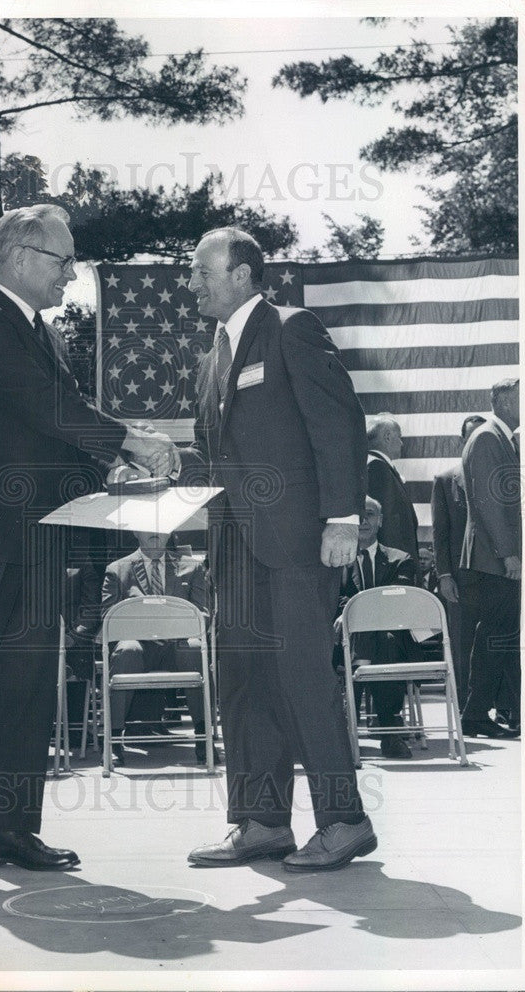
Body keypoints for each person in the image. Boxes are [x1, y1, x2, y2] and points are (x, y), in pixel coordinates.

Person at [0, 203, 175, 886]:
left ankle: (6, 830)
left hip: (38, 538)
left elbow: (53, 436)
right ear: (20, 255)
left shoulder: (40, 334)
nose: (71, 272)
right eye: (63, 258)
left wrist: (118, 478)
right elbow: (49, 410)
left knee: (26, 687)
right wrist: (132, 438)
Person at [174, 227, 375, 872]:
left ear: (241, 273)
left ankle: (344, 820)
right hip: (233, 550)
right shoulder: (211, 358)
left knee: (303, 680)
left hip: (295, 544)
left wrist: (342, 518)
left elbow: (339, 422)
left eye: (202, 270)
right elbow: (220, 459)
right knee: (244, 682)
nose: (192, 281)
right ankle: (261, 821)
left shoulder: (292, 329)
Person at [100, 531, 212, 767]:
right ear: (135, 533)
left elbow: (202, 614)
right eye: (147, 527)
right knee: (126, 651)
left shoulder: (192, 567)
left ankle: (204, 736)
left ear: (169, 532)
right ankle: (114, 740)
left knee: (193, 648)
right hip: (139, 645)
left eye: (160, 527)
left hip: (176, 644)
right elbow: (108, 618)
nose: (154, 533)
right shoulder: (118, 569)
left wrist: (170, 623)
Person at [459, 379, 521, 739]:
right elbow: (489, 503)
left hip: (496, 555)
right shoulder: (486, 438)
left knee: (499, 634)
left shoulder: (499, 439)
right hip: (494, 556)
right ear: (507, 402)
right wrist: (508, 553)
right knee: (494, 635)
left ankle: (482, 710)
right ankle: (475, 712)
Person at [334, 497, 419, 760]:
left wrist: (354, 610)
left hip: (385, 637)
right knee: (374, 639)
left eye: (369, 514)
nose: (364, 521)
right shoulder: (335, 558)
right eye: (358, 515)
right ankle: (390, 730)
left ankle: (349, 730)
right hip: (343, 641)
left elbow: (397, 599)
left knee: (386, 638)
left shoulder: (400, 559)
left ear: (380, 521)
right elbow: (329, 599)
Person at [430, 415, 487, 701]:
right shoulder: (445, 480)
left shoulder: (503, 477)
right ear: (462, 441)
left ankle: (503, 706)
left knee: (498, 642)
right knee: (463, 642)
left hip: (499, 577)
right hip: (461, 579)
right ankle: (465, 705)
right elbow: (440, 534)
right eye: (471, 437)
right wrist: (444, 575)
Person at [366, 414, 419, 572]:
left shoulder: (380, 468)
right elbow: (386, 524)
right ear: (387, 436)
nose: (402, 443)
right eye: (400, 437)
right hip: (393, 568)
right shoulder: (377, 468)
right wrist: (399, 567)